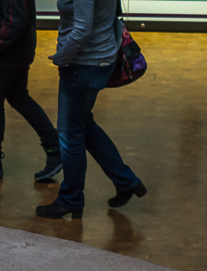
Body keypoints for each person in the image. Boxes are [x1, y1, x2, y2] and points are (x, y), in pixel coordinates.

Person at [36, 0, 146, 219]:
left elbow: (82, 29)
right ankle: (126, 181)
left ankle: (71, 199)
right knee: (83, 125)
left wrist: (61, 56)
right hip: (98, 59)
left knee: (70, 134)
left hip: (83, 64)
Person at [0, 0, 61, 182]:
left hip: (6, 55)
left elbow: (14, 22)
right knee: (19, 98)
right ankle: (54, 147)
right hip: (16, 52)